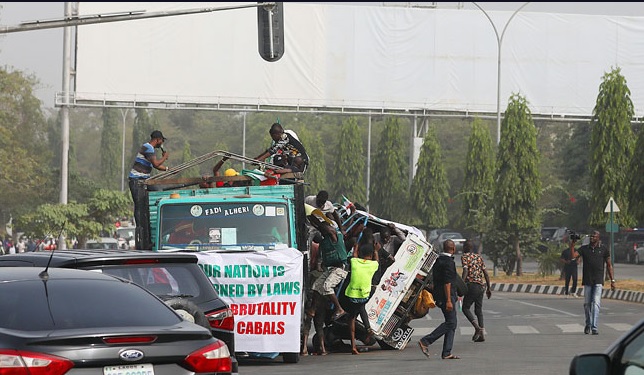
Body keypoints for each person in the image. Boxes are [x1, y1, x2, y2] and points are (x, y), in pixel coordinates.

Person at [418, 239, 460, 360]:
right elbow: (447, 282)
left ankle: (447, 352)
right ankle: (425, 341)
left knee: (452, 323)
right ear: (453, 249)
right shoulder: (448, 262)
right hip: (446, 296)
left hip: (440, 295)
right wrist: (448, 300)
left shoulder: (438, 260)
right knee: (451, 323)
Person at [571, 230, 615, 335]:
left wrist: (612, 280)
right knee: (587, 304)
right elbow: (573, 256)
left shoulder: (604, 250)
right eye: (591, 236)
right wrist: (572, 244)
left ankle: (594, 327)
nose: (592, 238)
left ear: (598, 238)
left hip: (598, 281)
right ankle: (588, 324)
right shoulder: (584, 249)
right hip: (587, 281)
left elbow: (609, 265)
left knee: (596, 303)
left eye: (594, 236)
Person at [128, 130, 169, 227]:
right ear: (158, 140)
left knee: (158, 190)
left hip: (144, 180)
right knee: (139, 205)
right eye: (162, 141)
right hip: (136, 181)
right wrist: (164, 157)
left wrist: (168, 169)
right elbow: (156, 164)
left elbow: (158, 166)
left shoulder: (149, 149)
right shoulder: (148, 148)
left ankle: (149, 221)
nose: (162, 143)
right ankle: (140, 228)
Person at [345, 242, 379, 355]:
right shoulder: (373, 265)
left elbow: (354, 255)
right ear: (371, 255)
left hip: (351, 295)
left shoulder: (354, 262)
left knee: (352, 318)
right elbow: (377, 260)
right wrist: (376, 250)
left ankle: (353, 346)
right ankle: (368, 329)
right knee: (361, 307)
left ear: (360, 253)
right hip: (364, 296)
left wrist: (356, 247)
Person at [461, 239, 492, 342]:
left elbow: (465, 271)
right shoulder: (479, 257)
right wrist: (489, 288)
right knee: (478, 310)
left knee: (465, 308)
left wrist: (461, 284)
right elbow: (485, 273)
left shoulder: (465, 257)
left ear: (465, 247)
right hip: (481, 287)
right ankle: (482, 334)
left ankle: (477, 327)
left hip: (472, 286)